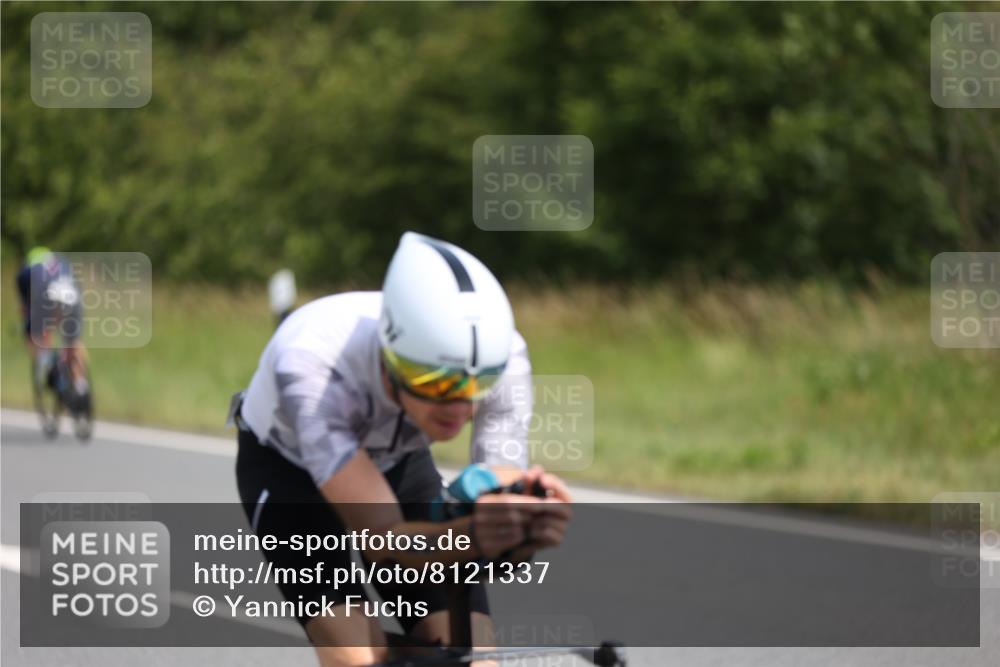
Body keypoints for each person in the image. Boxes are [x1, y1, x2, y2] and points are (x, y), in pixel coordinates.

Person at [233, 232, 572, 667]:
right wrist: (471, 535)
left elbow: (495, 517)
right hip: (290, 472)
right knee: (359, 658)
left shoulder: (501, 356)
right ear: (389, 358)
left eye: (479, 385)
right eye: (436, 382)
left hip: (397, 460)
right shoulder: (310, 364)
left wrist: (521, 529)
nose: (461, 406)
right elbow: (381, 538)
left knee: (477, 658)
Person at [15, 247, 89, 396]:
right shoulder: (64, 264)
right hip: (72, 299)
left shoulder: (27, 270)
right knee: (73, 341)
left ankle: (44, 359)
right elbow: (77, 288)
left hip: (46, 299)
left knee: (36, 332)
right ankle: (80, 383)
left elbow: (25, 302)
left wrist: (26, 311)